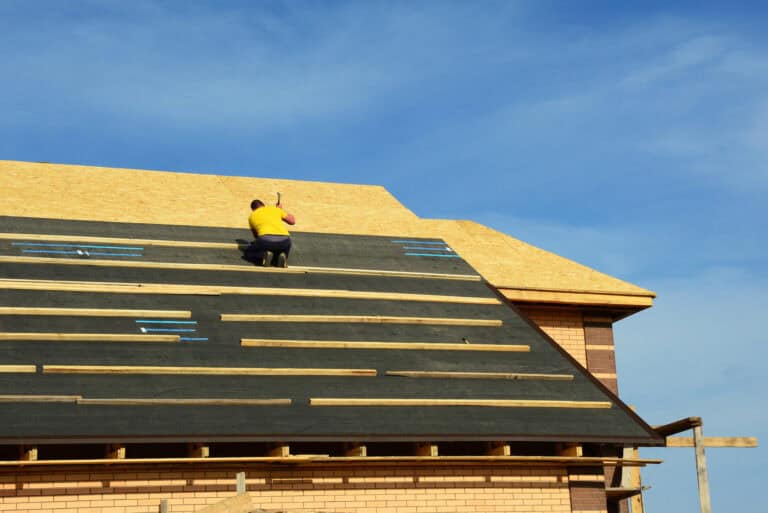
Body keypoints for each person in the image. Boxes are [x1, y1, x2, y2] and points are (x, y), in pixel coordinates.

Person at [246, 199, 296, 267]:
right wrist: (280, 210)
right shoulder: (275, 209)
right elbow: (292, 221)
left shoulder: (252, 216)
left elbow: (256, 236)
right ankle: (281, 255)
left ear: (253, 209)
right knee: (280, 248)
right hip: (285, 241)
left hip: (265, 240)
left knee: (249, 253)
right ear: (264, 205)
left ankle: (263, 257)